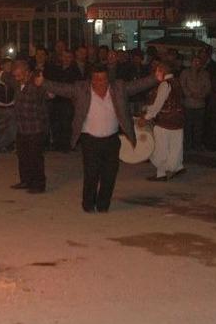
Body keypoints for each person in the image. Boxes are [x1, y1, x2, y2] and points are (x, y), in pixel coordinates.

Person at [37, 64, 158, 213]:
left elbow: (137, 85)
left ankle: (103, 205)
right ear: (91, 80)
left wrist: (155, 78)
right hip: (90, 140)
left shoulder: (118, 88)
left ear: (108, 79)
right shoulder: (81, 89)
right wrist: (43, 82)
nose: (100, 82)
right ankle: (88, 204)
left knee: (110, 174)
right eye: (96, 79)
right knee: (91, 173)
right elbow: (62, 88)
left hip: (112, 140)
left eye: (103, 79)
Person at [2, 60, 49, 193]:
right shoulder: (17, 83)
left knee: (35, 158)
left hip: (35, 128)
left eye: (19, 75)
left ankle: (39, 184)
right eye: (15, 75)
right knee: (22, 156)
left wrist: (47, 90)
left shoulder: (36, 85)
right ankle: (26, 180)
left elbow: (48, 94)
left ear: (27, 73)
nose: (17, 78)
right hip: (21, 128)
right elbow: (6, 78)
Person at [140, 63, 186, 181]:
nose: (155, 74)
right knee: (175, 146)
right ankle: (178, 167)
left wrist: (146, 117)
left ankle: (161, 173)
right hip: (178, 121)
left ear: (162, 71)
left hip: (165, 121)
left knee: (161, 148)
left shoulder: (165, 84)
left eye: (157, 71)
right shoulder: (176, 82)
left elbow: (158, 105)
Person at [180, 56, 211, 151]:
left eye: (198, 62)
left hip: (200, 104)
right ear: (191, 62)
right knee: (187, 126)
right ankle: (188, 145)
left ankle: (197, 145)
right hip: (188, 103)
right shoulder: (185, 73)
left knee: (199, 126)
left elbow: (208, 87)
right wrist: (189, 94)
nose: (196, 64)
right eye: (195, 61)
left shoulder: (205, 74)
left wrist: (201, 95)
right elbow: (182, 85)